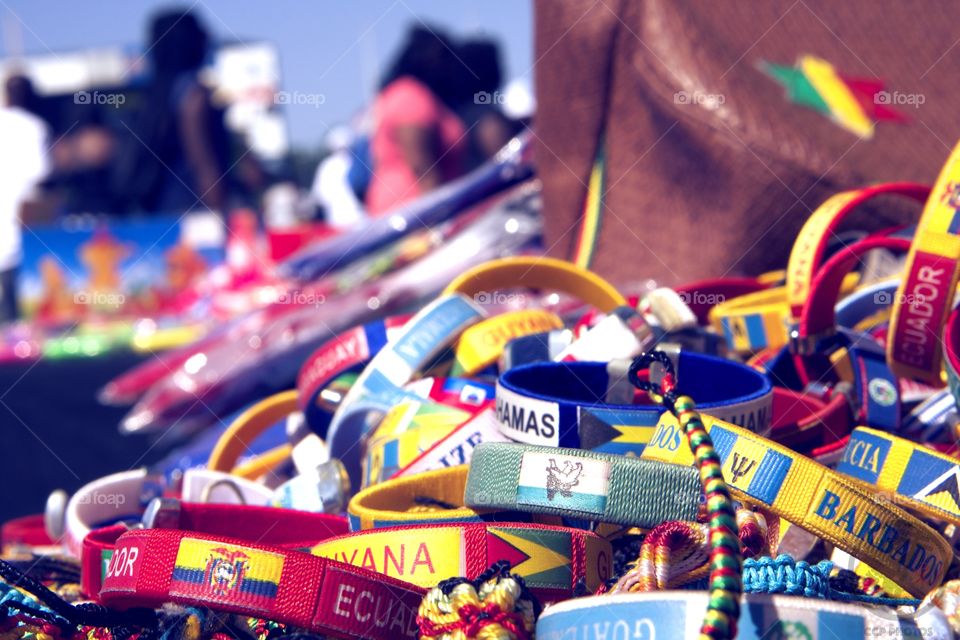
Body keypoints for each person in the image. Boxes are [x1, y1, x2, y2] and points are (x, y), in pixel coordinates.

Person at [113, 8, 230, 214]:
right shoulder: (194, 95)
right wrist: (221, 214)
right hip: (195, 213)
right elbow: (203, 165)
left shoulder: (152, 95)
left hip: (159, 212)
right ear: (191, 41)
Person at [366, 26, 467, 215]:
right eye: (444, 57)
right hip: (413, 213)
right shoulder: (411, 97)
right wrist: (439, 218)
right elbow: (423, 168)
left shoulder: (412, 95)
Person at [0, 74, 50, 322]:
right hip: (21, 233)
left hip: (16, 231)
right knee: (19, 318)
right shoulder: (35, 126)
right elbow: (42, 176)